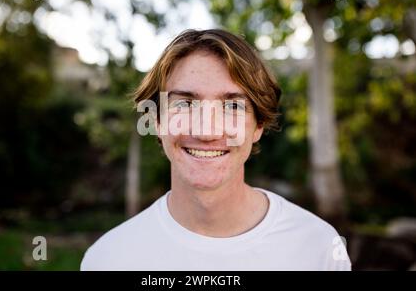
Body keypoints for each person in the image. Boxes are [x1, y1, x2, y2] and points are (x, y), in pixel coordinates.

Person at [80, 29, 351, 271]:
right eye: (185, 104)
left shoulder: (319, 250)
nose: (206, 132)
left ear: (258, 125)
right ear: (158, 121)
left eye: (232, 106)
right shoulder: (106, 260)